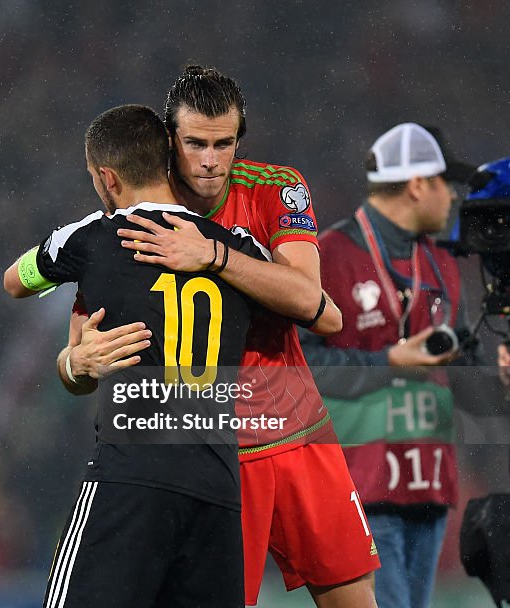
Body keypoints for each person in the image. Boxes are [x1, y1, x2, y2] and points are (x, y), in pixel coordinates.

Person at [59, 65, 380, 607]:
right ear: (168, 141)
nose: (209, 160)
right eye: (194, 143)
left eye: (223, 143)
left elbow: (319, 308)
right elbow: (76, 364)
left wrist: (213, 255)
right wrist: (75, 364)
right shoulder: (131, 221)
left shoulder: (276, 188)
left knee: (353, 597)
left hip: (298, 427)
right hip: (218, 449)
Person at [5, 104, 272, 607]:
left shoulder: (95, 236)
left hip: (132, 473)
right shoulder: (240, 251)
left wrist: (74, 353)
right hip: (216, 486)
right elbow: (307, 303)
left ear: (107, 178)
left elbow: (15, 280)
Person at [299, 123, 508, 608]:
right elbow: (301, 369)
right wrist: (388, 361)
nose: (453, 198)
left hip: (430, 486)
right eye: (445, 184)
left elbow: (464, 376)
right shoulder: (328, 256)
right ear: (418, 185)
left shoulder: (443, 261)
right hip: (360, 488)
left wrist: (498, 378)